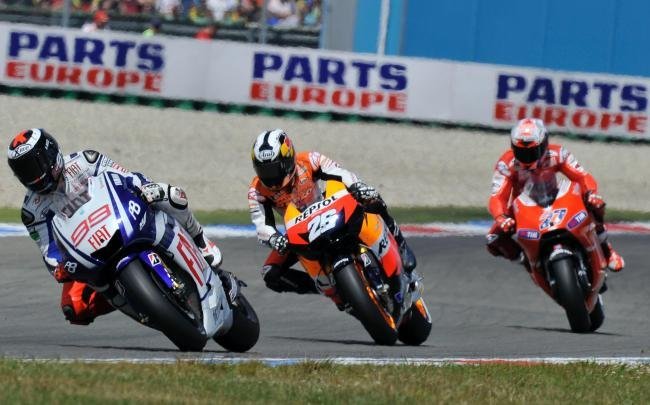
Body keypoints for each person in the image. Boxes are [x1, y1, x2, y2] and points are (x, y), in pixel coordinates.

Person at [7, 128, 226, 325]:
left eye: (33, 167)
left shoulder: (85, 161)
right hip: (87, 249)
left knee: (170, 195)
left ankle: (200, 240)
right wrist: (58, 267)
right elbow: (49, 250)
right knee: (74, 306)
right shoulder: (32, 210)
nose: (32, 177)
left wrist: (144, 187)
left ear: (50, 155)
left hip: (121, 217)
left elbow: (126, 177)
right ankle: (137, 300)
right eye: (24, 172)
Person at [248, 129, 416, 298]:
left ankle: (401, 244)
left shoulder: (308, 160)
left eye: (275, 169)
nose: (271, 178)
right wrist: (274, 238)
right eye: (264, 171)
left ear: (288, 159)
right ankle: (329, 289)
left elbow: (339, 172)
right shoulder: (256, 190)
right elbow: (261, 224)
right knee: (270, 273)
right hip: (299, 231)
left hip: (330, 208)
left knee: (370, 197)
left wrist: (356, 186)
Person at [486, 118, 624, 272]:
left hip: (556, 197)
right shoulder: (506, 165)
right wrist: (501, 217)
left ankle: (606, 249)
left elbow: (582, 176)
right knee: (494, 238)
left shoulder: (558, 153)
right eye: (521, 152)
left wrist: (591, 193)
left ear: (544, 143)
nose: (527, 157)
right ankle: (526, 260)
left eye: (532, 151)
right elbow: (497, 196)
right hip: (523, 206)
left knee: (595, 203)